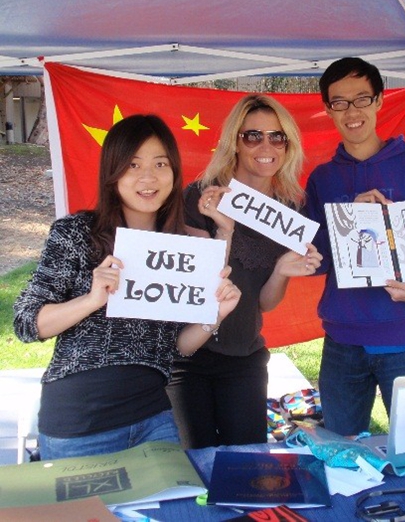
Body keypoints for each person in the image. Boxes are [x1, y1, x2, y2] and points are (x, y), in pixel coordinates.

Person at [13, 115, 241, 460]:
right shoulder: (75, 233)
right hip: (80, 423)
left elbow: (178, 347)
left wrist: (216, 315)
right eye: (133, 165)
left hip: (153, 418)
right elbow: (26, 322)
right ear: (113, 172)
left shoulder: (181, 246)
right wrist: (92, 300)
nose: (148, 177)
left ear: (174, 173)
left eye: (160, 164)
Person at [304, 57, 405, 436]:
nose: (352, 111)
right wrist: (348, 218)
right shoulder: (323, 178)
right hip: (342, 341)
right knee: (342, 451)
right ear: (328, 109)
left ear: (379, 101)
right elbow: (317, 260)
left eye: (362, 99)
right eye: (340, 102)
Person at [166, 94, 322, 448]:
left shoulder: (289, 210)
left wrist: (281, 270)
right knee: (195, 466)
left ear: (288, 145)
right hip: (190, 356)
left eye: (277, 137)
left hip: (245, 356)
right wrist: (225, 229)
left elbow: (264, 303)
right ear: (234, 142)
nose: (266, 146)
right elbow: (198, 288)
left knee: (246, 463)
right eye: (253, 136)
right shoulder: (202, 197)